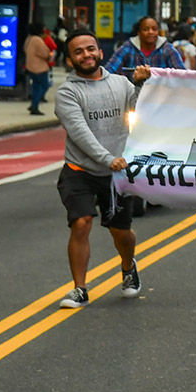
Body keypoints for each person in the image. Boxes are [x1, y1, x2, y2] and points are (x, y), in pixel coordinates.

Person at [52, 28, 150, 309]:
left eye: (90, 49)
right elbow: (80, 133)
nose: (86, 55)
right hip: (79, 170)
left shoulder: (120, 83)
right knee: (81, 223)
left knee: (121, 233)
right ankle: (79, 288)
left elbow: (140, 109)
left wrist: (141, 85)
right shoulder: (68, 92)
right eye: (78, 52)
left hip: (116, 174)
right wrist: (108, 157)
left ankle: (128, 266)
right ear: (70, 60)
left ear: (100, 52)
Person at [105, 16, 187, 76]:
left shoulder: (167, 48)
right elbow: (110, 70)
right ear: (139, 33)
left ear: (158, 32)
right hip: (133, 94)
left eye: (154, 29)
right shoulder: (128, 47)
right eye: (146, 29)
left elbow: (182, 74)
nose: (150, 32)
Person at [24, 21, 53, 116]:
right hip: (39, 67)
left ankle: (34, 105)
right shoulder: (38, 40)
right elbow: (45, 53)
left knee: (36, 86)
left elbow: (25, 49)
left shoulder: (29, 39)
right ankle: (34, 104)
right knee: (45, 85)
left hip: (30, 66)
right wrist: (50, 55)